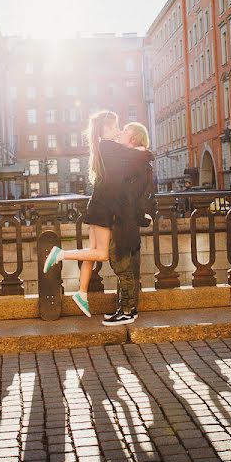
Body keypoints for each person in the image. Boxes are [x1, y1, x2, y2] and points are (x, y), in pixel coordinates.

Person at [42, 110, 126, 317]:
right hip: (103, 207)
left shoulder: (101, 147)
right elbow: (134, 157)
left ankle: (81, 293)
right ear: (105, 128)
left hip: (97, 204)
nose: (117, 130)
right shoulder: (110, 146)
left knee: (92, 251)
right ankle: (60, 254)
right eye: (114, 126)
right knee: (102, 253)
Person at [102, 122, 154, 326]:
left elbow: (135, 193)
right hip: (127, 219)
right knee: (126, 265)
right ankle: (125, 308)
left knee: (123, 265)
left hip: (126, 219)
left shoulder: (136, 162)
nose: (121, 134)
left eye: (124, 131)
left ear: (133, 139)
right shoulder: (137, 159)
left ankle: (127, 310)